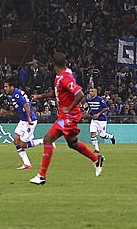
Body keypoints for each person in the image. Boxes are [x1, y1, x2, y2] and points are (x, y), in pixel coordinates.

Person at [28, 53, 102, 185]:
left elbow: (79, 94)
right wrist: (40, 96)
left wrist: (69, 108)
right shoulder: (61, 76)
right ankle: (96, 159)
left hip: (69, 116)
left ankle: (42, 176)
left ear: (53, 64)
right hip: (66, 116)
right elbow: (55, 93)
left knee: (47, 139)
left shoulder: (65, 78)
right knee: (72, 144)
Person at [3, 77, 42, 169]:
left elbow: (26, 105)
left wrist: (29, 118)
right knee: (16, 141)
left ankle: (45, 141)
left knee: (23, 144)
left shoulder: (16, 94)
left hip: (29, 120)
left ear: (11, 87)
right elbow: (19, 110)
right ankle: (27, 164)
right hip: (23, 120)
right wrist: (7, 112)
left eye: (6, 86)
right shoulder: (14, 94)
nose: (5, 89)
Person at [85, 87, 116, 154]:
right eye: (90, 91)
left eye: (92, 91)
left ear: (95, 92)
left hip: (101, 120)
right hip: (94, 120)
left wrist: (98, 114)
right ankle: (97, 149)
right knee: (93, 134)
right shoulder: (89, 100)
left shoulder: (100, 99)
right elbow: (90, 107)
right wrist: (87, 113)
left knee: (102, 135)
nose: (90, 93)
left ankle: (111, 136)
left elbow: (106, 108)